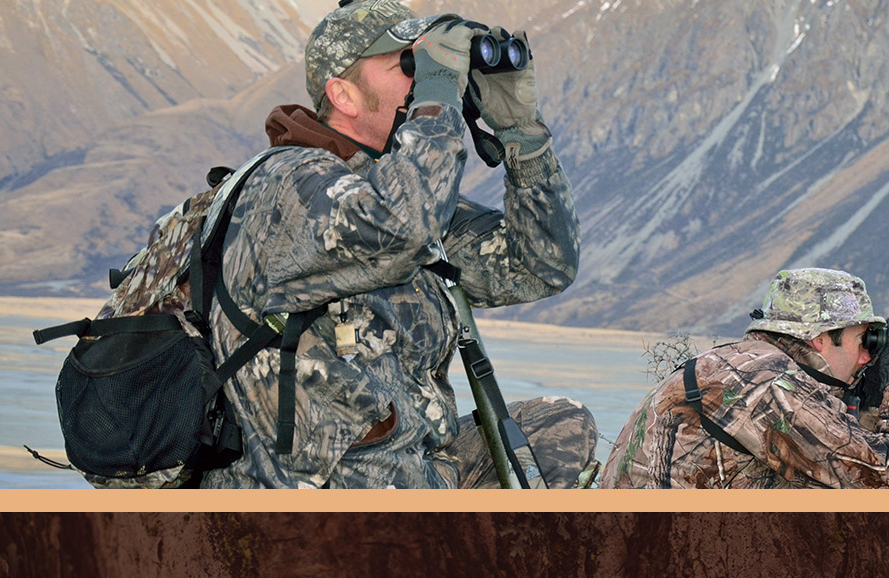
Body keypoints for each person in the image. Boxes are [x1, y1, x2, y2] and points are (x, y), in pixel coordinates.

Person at [201, 0, 595, 488]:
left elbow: (540, 265)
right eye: (409, 64)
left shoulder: (390, 189)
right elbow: (403, 225)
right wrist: (436, 97)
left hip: (414, 466)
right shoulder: (289, 184)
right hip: (325, 492)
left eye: (427, 65)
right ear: (343, 95)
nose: (426, 79)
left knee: (559, 426)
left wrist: (521, 134)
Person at [601, 268, 889, 488]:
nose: (867, 355)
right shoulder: (768, 385)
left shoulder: (744, 365)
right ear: (819, 338)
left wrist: (872, 399)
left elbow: (834, 471)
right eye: (863, 340)